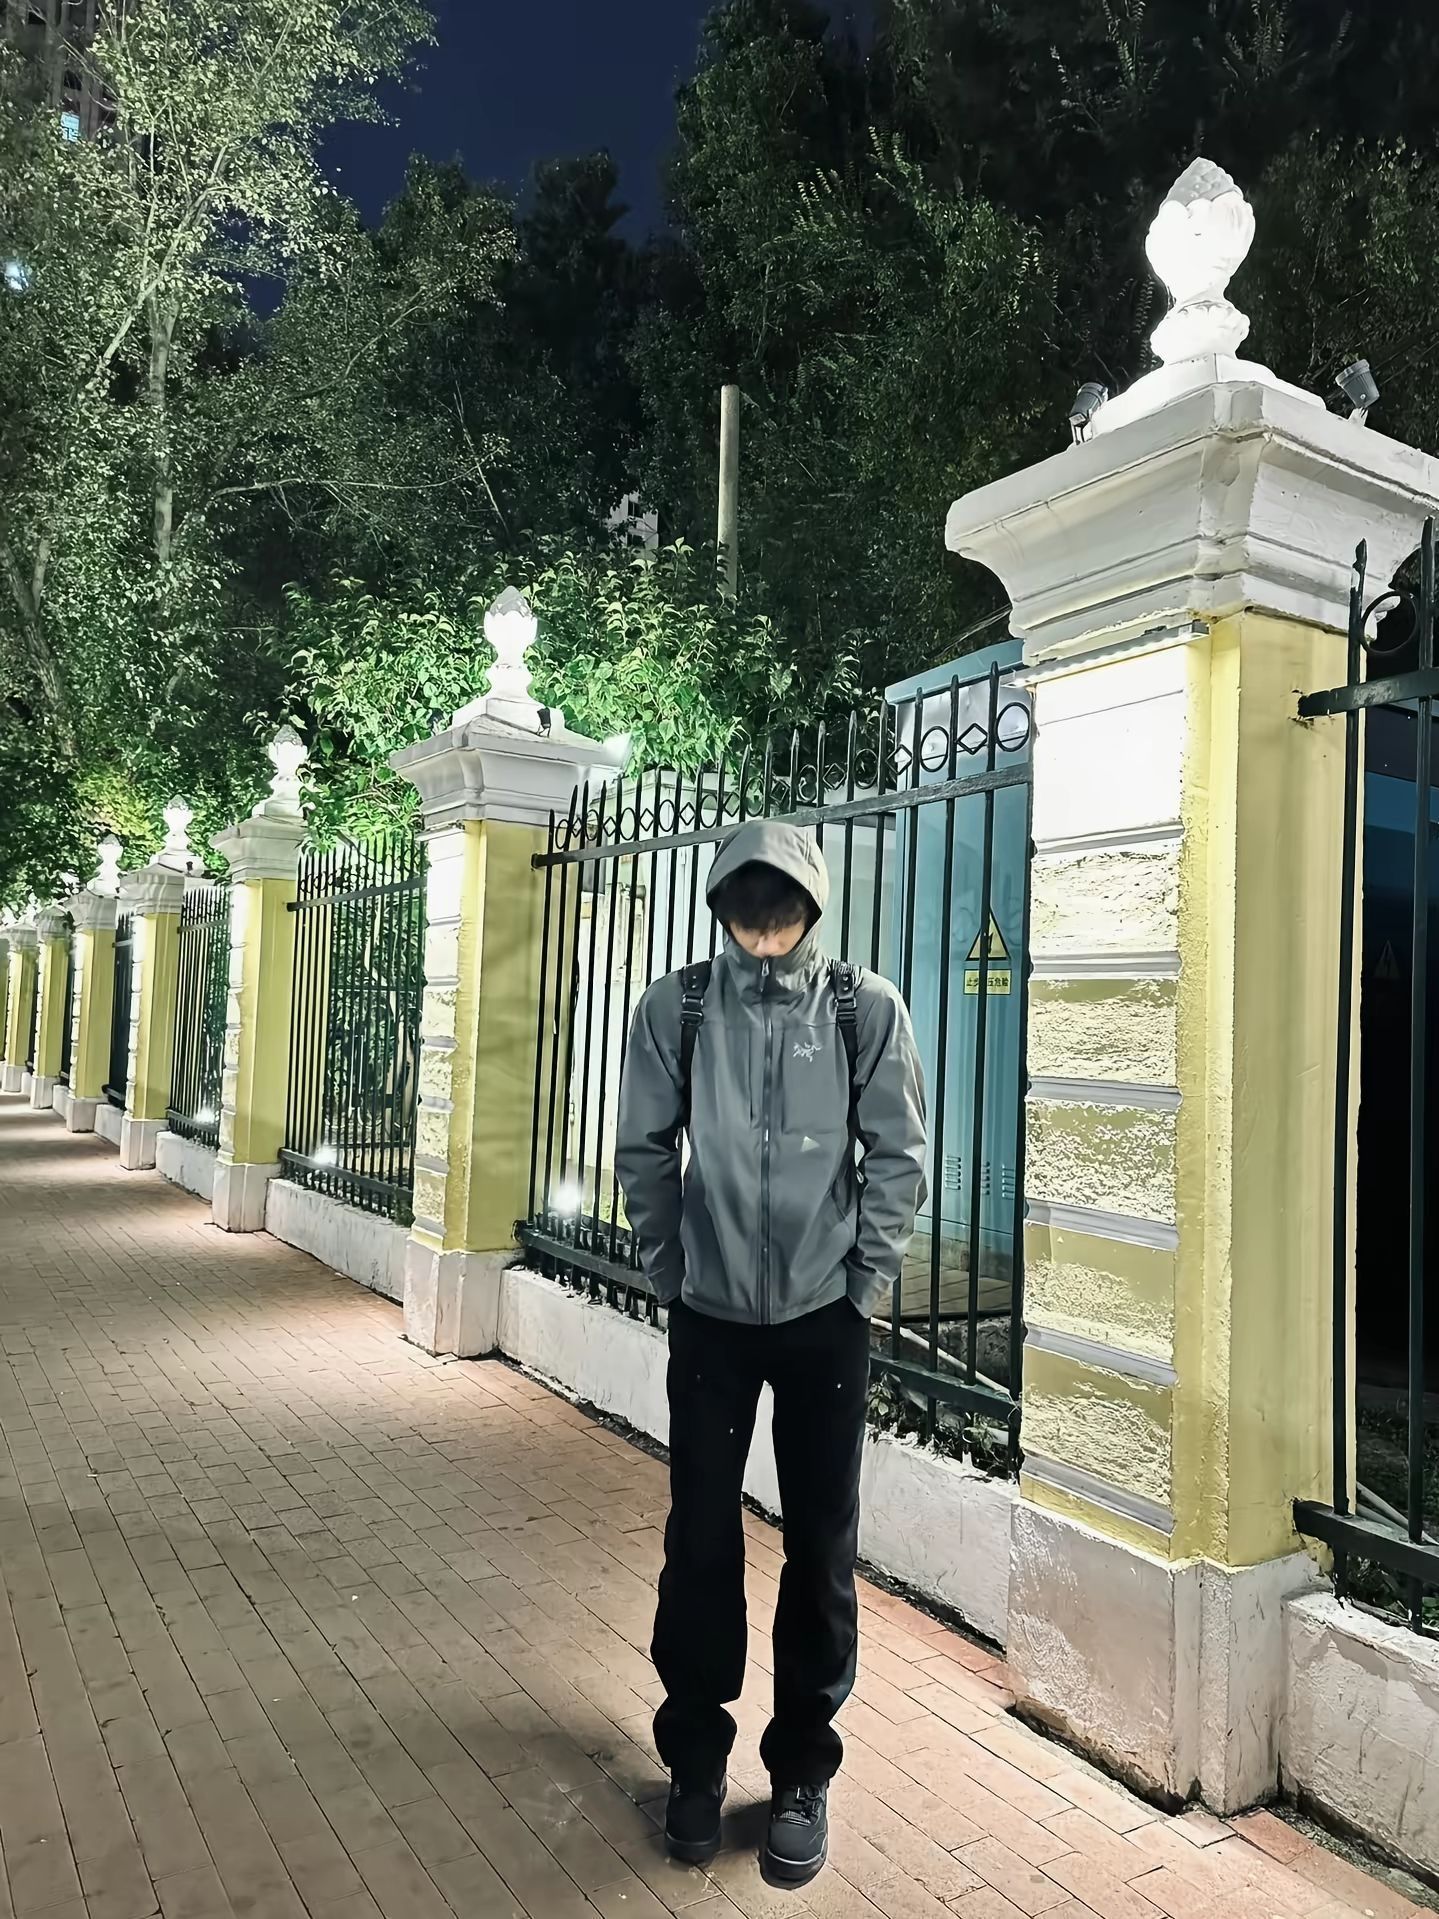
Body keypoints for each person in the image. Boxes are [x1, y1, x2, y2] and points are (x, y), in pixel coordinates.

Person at [615, 819, 927, 1887]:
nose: (762, 929)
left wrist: (861, 1284)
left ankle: (800, 1768)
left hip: (820, 1318)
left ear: (810, 905)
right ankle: (695, 1758)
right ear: (720, 907)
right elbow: (643, 1149)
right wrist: (671, 1273)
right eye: (745, 910)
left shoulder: (860, 1008)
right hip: (709, 1313)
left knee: (820, 1543)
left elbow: (897, 1153)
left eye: (780, 909)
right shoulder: (677, 1006)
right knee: (699, 1533)